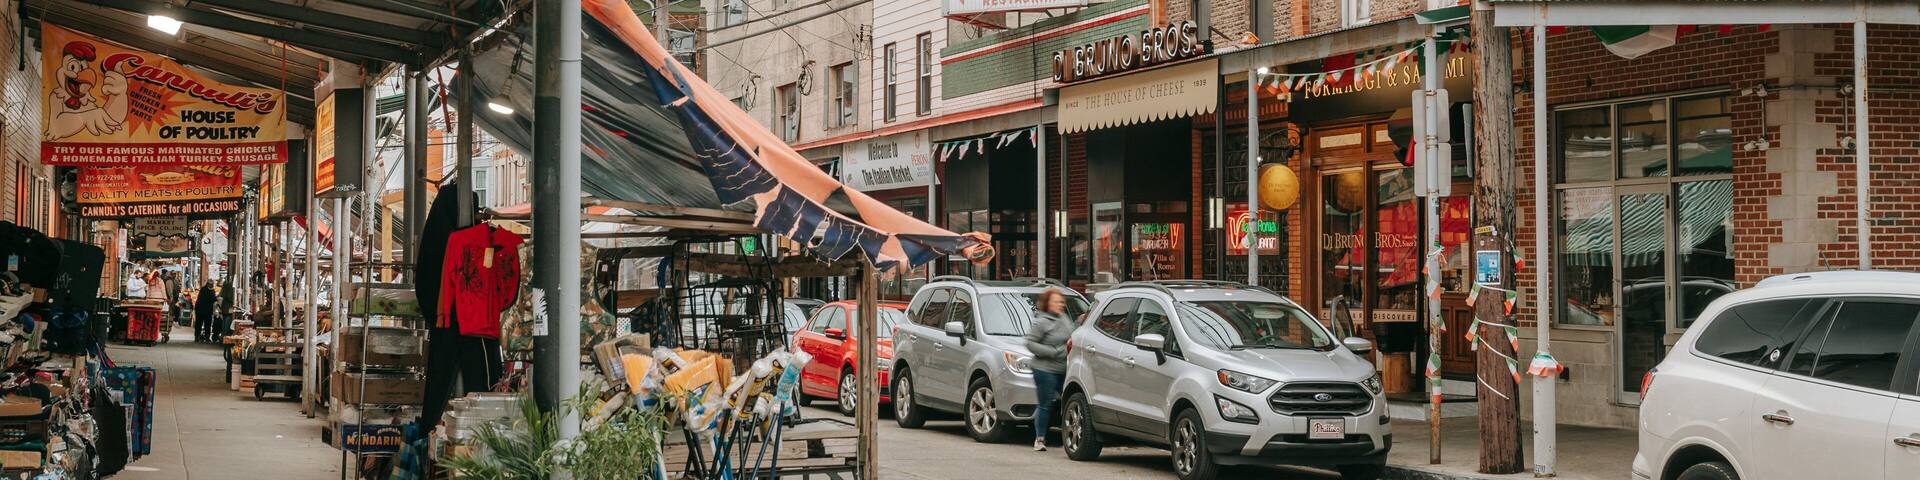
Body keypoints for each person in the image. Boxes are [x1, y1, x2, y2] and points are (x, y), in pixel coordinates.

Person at [1022, 287, 1073, 452]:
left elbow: (1071, 336)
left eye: (1061, 302)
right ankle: (1040, 438)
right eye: (1056, 302)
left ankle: (1069, 436)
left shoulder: (1065, 318)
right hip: (1044, 369)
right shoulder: (1041, 322)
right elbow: (1030, 343)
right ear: (1047, 304)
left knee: (1068, 402)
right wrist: (1052, 352)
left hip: (1064, 368)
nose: (1060, 305)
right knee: (1045, 404)